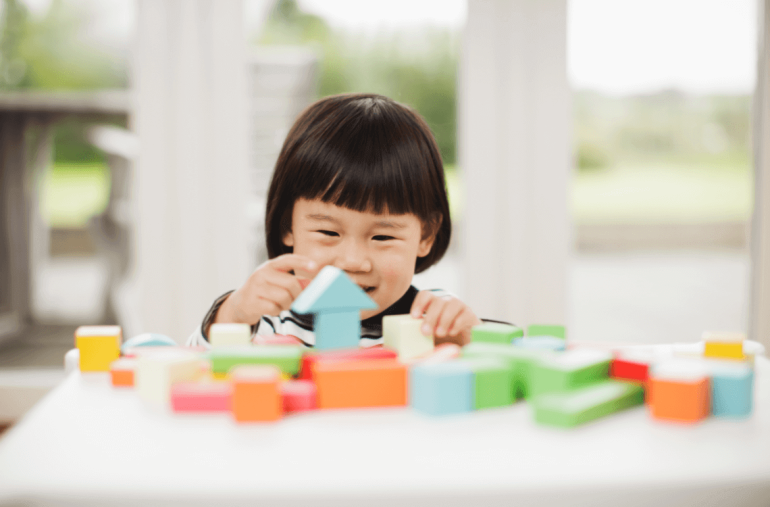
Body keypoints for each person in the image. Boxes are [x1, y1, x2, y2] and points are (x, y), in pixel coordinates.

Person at [187, 93, 481, 348]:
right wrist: (234, 314)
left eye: (382, 237)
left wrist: (466, 341)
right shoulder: (266, 321)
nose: (353, 261)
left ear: (426, 236)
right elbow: (198, 367)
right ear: (288, 225)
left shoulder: (432, 320)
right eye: (328, 232)